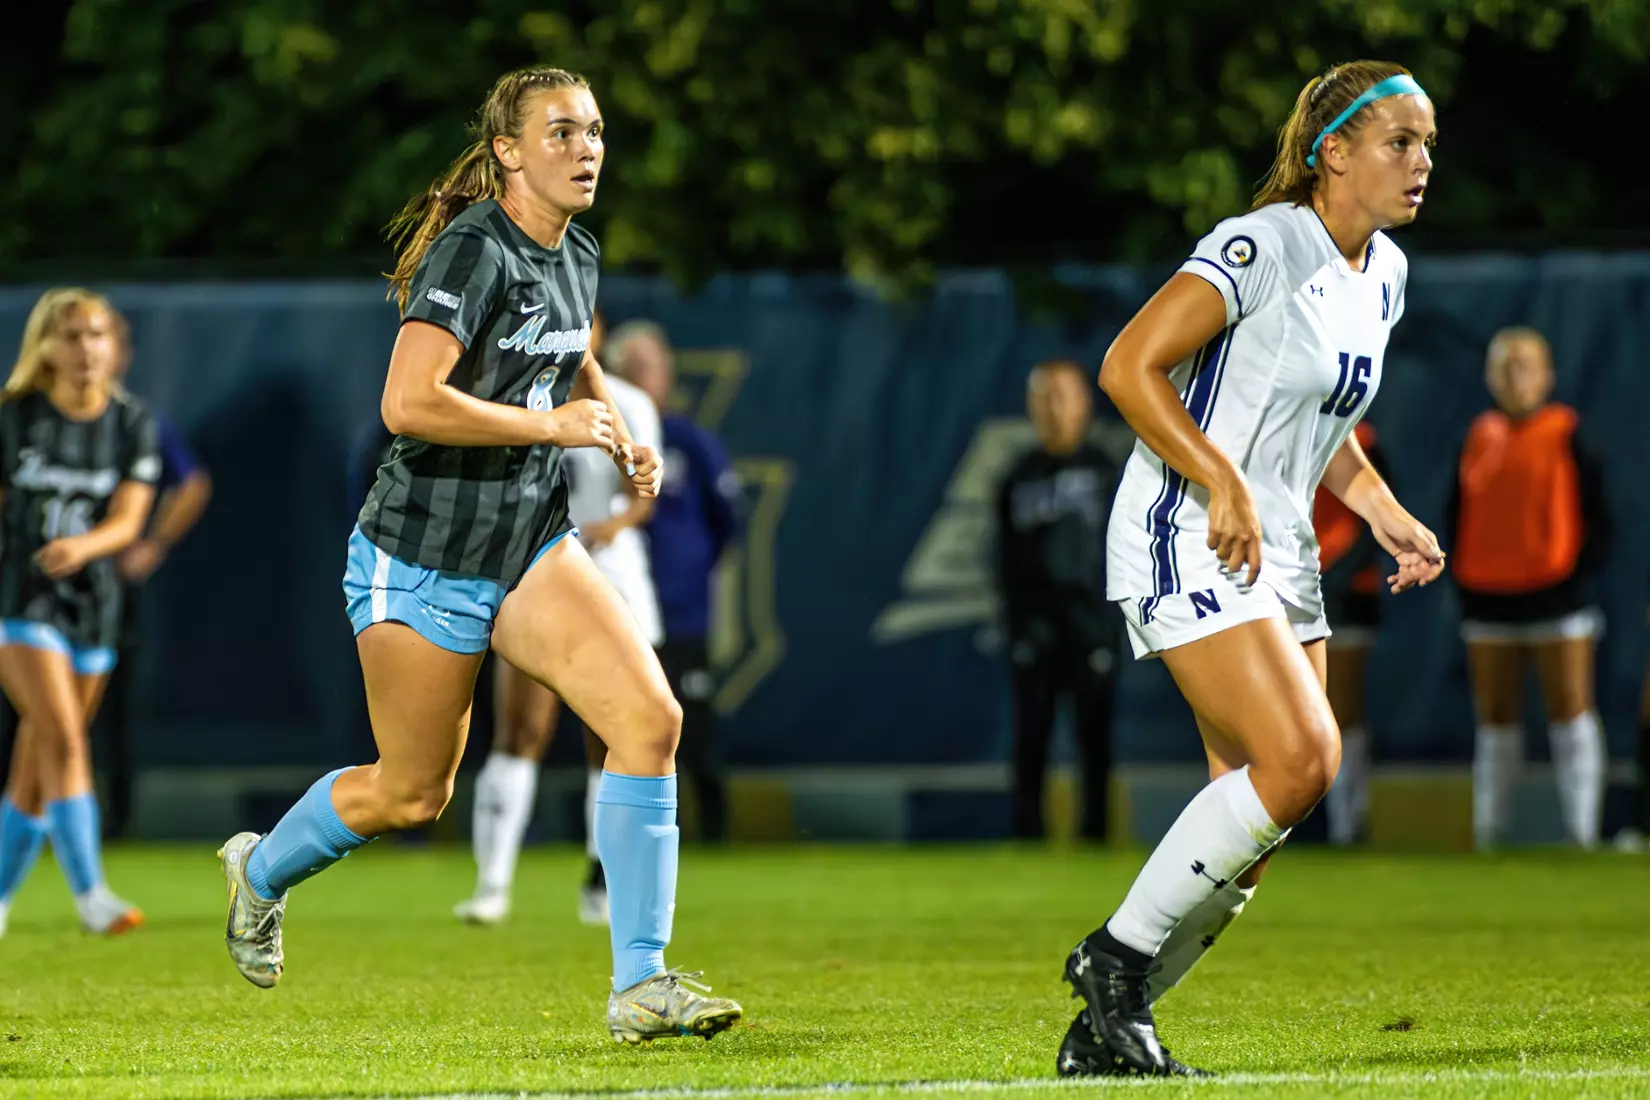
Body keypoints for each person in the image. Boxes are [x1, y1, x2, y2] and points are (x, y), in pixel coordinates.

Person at [214, 66, 742, 1045]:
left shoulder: (575, 247)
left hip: (528, 542)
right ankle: (263, 867)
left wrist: (616, 421)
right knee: (412, 791)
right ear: (507, 150)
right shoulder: (472, 250)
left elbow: (570, 344)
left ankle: (642, 981)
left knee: (650, 719)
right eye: (560, 132)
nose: (586, 148)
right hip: (420, 552)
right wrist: (556, 430)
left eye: (592, 129)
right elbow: (406, 403)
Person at [1054, 62, 1442, 1078]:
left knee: (1261, 812)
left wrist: (1385, 510)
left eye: (1428, 143)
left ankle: (1108, 1026)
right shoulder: (1263, 242)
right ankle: (1113, 963)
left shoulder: (1386, 273)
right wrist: (1219, 478)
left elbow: (1325, 426)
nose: (1421, 161)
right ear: (1333, 153)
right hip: (1190, 524)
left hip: (1280, 550)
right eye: (1400, 140)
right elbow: (1127, 366)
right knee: (1303, 756)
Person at [455, 309, 667, 928]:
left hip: (611, 576)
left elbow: (641, 490)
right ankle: (492, 884)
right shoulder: (514, 397)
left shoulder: (623, 400)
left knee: (615, 736)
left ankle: (602, 879)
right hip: (535, 574)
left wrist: (608, 522)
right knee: (520, 730)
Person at [0, 289, 160, 938]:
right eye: (70, 335)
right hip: (21, 598)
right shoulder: (15, 417)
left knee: (39, 759)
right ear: (44, 346)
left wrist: (82, 547)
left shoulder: (130, 423)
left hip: (93, 604)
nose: (85, 348)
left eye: (95, 335)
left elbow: (128, 521)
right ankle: (92, 894)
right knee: (66, 739)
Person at [1450, 328, 1610, 850]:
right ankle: (1489, 834)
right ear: (1488, 376)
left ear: (1548, 375)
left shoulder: (1568, 433)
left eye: (1526, 365)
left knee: (1570, 710)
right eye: (1505, 366)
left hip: (1559, 597)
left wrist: (1575, 578)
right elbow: (1458, 516)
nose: (1515, 376)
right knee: (1494, 719)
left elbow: (1600, 518)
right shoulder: (1478, 436)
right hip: (1488, 599)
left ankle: (1581, 834)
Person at [97, 312, 214, 840]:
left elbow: (192, 483)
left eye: (101, 341)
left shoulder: (138, 421)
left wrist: (152, 545)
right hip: (34, 589)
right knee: (30, 716)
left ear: (122, 355)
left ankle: (114, 826)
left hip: (107, 589)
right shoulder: (26, 419)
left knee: (111, 710)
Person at [623, 322, 740, 842]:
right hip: (622, 608)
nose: (648, 378)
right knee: (628, 727)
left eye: (653, 366)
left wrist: (689, 570)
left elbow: (726, 521)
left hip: (682, 609)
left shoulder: (689, 444)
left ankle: (715, 832)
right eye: (635, 368)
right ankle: (633, 835)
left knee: (695, 725)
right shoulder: (605, 439)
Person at [994, 360, 1120, 840]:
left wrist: (1113, 625)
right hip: (1037, 627)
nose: (1053, 408)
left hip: (1091, 625)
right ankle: (1027, 835)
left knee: (1095, 741)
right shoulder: (1017, 476)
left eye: (1062, 396)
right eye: (1043, 397)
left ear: (1084, 403)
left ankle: (1096, 835)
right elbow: (1003, 561)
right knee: (1031, 740)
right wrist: (1015, 627)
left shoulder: (1106, 473)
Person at [1313, 420, 1386, 845]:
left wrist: (1336, 575)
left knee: (1341, 712)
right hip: (1276, 582)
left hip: (1341, 591)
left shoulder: (1364, 441)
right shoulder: (1268, 424)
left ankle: (1347, 827)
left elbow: (1376, 517)